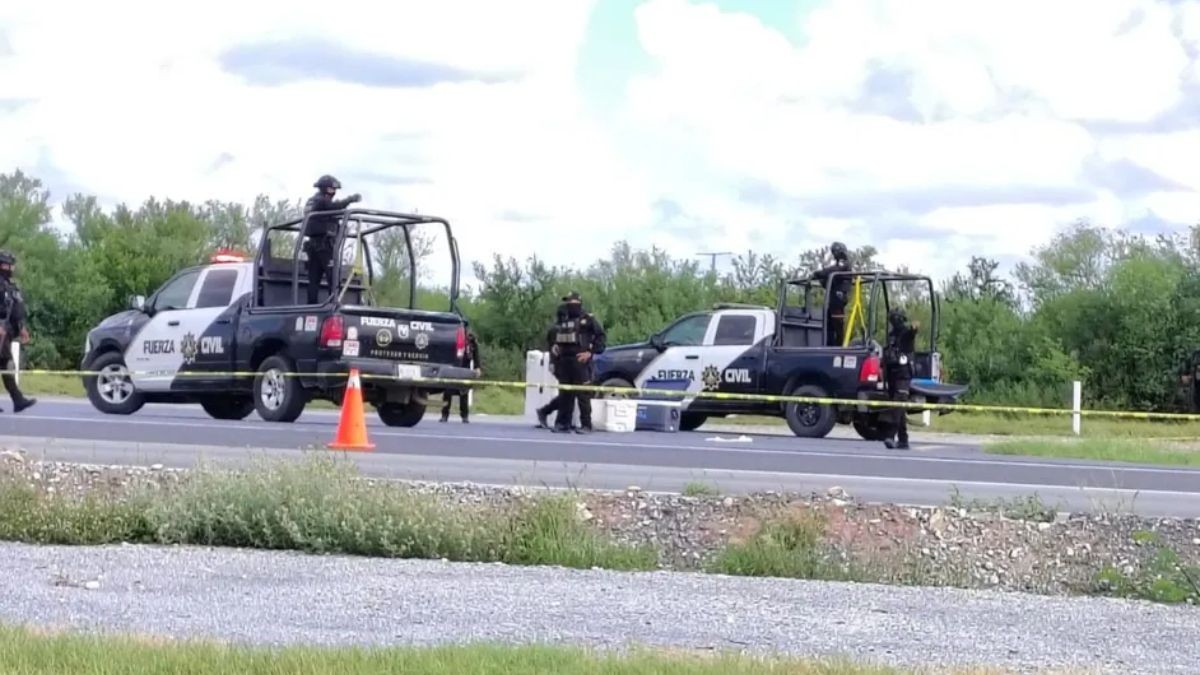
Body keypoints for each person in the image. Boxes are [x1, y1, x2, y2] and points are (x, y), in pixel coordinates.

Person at [548, 291, 606, 434]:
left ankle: (586, 425)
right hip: (564, 361)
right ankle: (562, 423)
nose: (569, 306)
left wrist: (590, 353)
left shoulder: (588, 319)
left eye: (572, 303)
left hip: (581, 361)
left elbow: (601, 337)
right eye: (567, 303)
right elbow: (556, 336)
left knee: (583, 395)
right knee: (565, 394)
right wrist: (555, 346)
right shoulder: (563, 319)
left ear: (578, 303)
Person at [303, 175, 361, 305]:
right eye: (330, 189)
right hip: (324, 246)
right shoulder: (321, 201)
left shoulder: (313, 201)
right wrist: (350, 199)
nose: (333, 192)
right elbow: (335, 206)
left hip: (314, 246)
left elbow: (331, 212)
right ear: (323, 188)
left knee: (314, 280)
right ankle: (334, 305)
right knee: (333, 278)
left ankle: (312, 306)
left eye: (334, 189)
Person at [0, 251, 36, 414]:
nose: (11, 267)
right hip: (1, 330)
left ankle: (18, 400)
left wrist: (22, 329)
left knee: (6, 365)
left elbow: (13, 310)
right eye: (8, 264)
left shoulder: (8, 285)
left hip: (7, 330)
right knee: (6, 364)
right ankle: (18, 399)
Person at [881, 307, 918, 450]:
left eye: (896, 318)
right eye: (892, 318)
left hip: (903, 373)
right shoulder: (891, 335)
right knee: (898, 408)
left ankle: (890, 436)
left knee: (898, 404)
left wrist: (914, 329)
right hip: (892, 373)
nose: (894, 320)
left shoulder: (905, 333)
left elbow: (911, 333)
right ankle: (903, 440)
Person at [811, 241, 853, 346]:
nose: (834, 254)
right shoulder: (838, 266)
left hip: (839, 298)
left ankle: (839, 346)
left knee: (838, 324)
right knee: (829, 325)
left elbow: (834, 270)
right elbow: (830, 280)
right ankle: (829, 345)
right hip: (833, 298)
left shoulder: (845, 263)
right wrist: (821, 279)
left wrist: (819, 273)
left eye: (835, 251)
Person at [440, 331, 481, 423]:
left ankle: (464, 416)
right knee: (447, 392)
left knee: (464, 392)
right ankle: (444, 415)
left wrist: (477, 367)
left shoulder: (470, 340)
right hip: (452, 367)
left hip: (464, 368)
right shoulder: (451, 336)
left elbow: (475, 354)